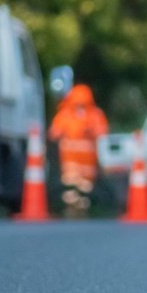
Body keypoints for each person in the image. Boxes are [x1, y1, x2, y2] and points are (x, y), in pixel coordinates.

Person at [49, 84, 111, 215]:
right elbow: (102, 134)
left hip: (73, 168)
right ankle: (77, 211)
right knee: (77, 193)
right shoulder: (94, 114)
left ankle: (75, 211)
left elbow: (53, 134)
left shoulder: (65, 114)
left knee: (74, 193)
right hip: (81, 169)